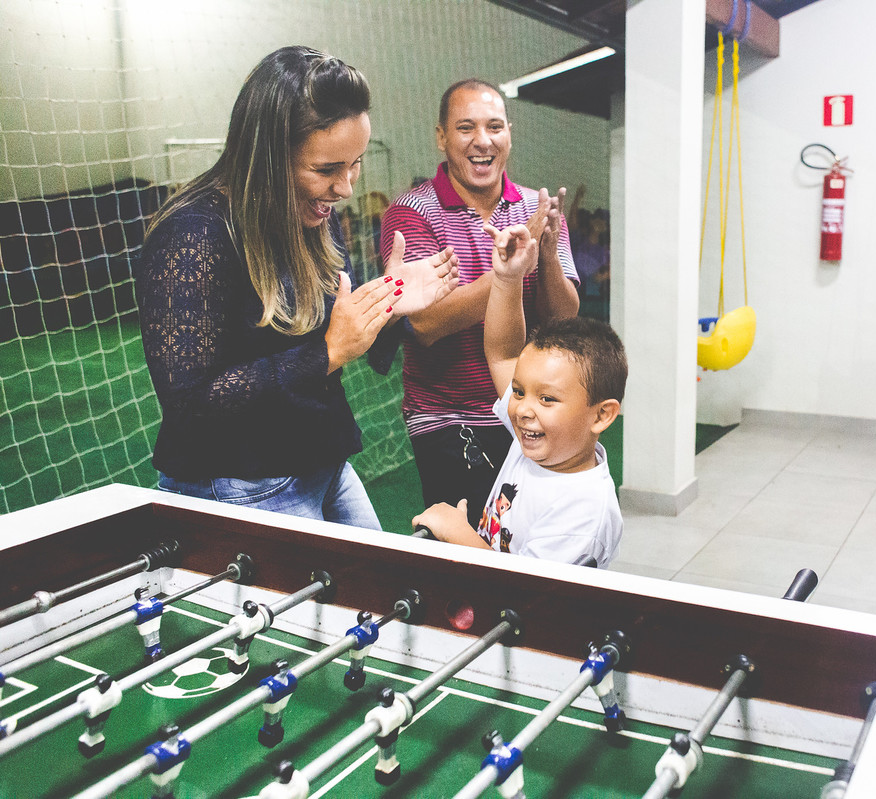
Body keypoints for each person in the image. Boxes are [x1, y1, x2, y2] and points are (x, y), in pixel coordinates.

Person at [136, 46, 457, 529]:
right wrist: (326, 353)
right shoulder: (193, 234)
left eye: (355, 164)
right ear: (266, 157)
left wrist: (387, 304)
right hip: (240, 480)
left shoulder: (310, 215)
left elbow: (338, 339)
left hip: (319, 461)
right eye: (326, 170)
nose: (346, 187)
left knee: (376, 598)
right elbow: (190, 404)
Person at [376, 78, 580, 525]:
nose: (482, 141)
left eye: (494, 126)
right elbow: (425, 325)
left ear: (509, 133)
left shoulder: (535, 208)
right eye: (466, 127)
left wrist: (543, 255)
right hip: (449, 418)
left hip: (529, 409)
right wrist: (508, 271)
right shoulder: (412, 213)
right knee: (469, 553)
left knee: (531, 549)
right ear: (442, 137)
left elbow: (563, 318)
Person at [413, 219, 623, 568]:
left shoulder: (584, 511)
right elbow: (505, 354)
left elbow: (524, 591)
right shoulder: (546, 443)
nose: (522, 409)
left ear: (601, 415)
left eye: (547, 399)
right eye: (520, 391)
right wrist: (508, 279)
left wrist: (459, 535)